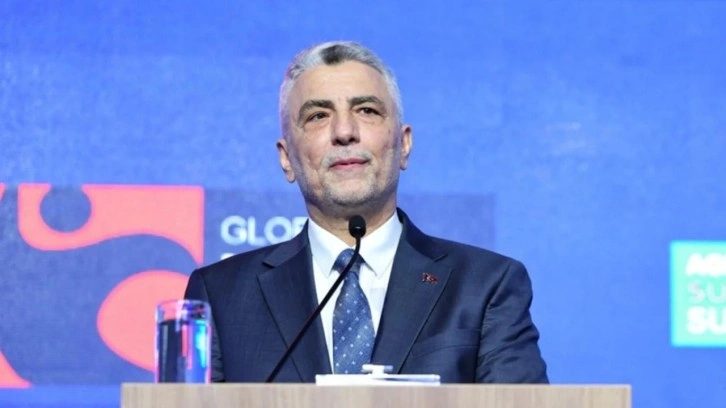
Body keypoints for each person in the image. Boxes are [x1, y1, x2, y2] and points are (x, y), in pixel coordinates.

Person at [185, 41, 548, 383]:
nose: (344, 132)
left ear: (403, 145)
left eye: (366, 111)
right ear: (287, 158)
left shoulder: (486, 285)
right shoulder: (221, 294)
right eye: (318, 115)